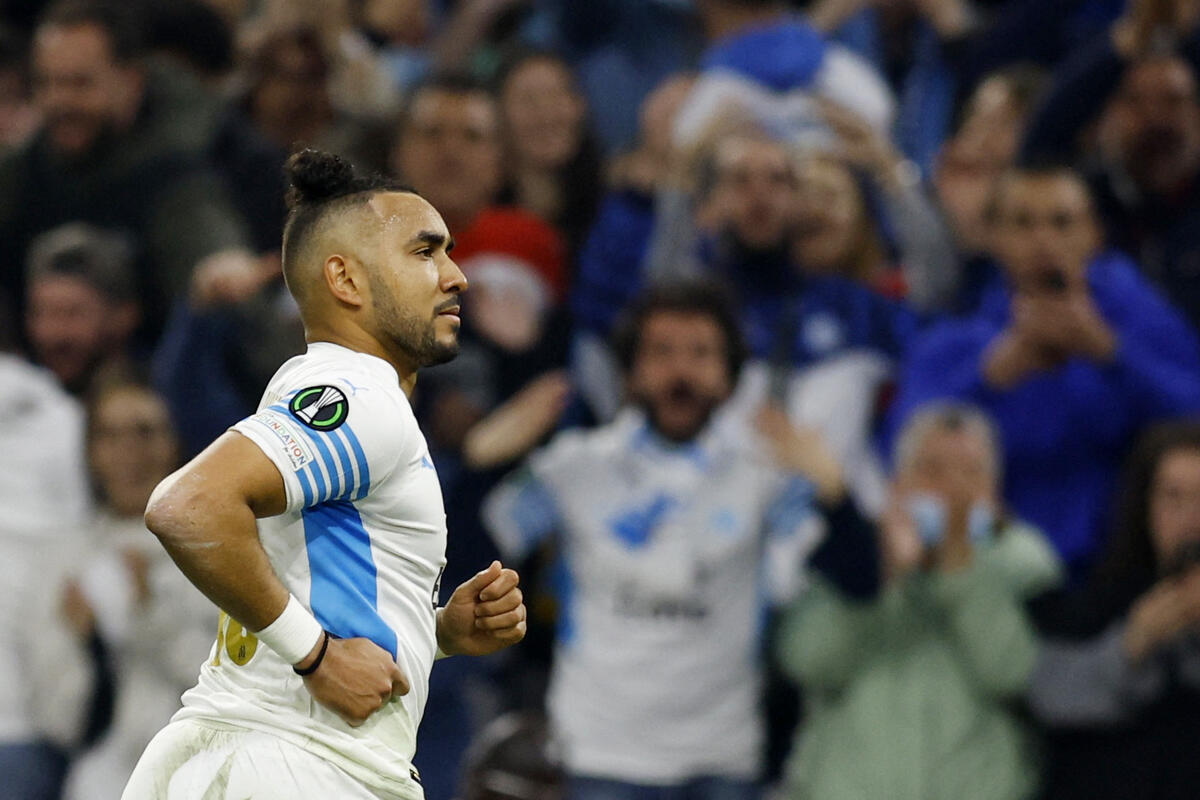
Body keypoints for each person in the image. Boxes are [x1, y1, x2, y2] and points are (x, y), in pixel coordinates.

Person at [122, 149, 527, 799]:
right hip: (292, 764)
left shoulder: (328, 390)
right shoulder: (358, 396)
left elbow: (300, 577)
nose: (456, 277)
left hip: (255, 756)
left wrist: (436, 633)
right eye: (425, 252)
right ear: (345, 279)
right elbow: (187, 506)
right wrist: (316, 655)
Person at [484, 281, 845, 798]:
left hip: (721, 761)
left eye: (700, 353)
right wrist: (480, 461)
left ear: (730, 375)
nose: (681, 372)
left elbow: (855, 582)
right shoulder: (575, 467)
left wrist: (837, 496)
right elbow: (468, 550)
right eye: (662, 352)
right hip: (597, 757)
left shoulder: (764, 478)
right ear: (631, 372)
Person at [889, 164, 1200, 576]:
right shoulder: (953, 344)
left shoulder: (1141, 324)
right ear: (994, 235)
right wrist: (990, 377)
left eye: (1062, 222)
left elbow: (1192, 415)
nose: (1043, 240)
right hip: (985, 571)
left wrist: (1110, 353)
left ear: (1094, 233)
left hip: (1119, 574)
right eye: (1023, 223)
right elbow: (899, 451)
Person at [776, 402, 1061, 800]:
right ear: (898, 484)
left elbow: (1016, 678)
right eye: (933, 470)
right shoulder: (853, 553)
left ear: (995, 490)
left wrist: (961, 571)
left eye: (970, 473)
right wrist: (880, 577)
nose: (952, 492)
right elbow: (809, 662)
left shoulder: (1023, 559)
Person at [1028, 421, 1200, 800]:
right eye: (1173, 497)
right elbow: (1047, 699)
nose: (1191, 519)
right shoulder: (1096, 602)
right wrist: (1131, 646)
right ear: (1145, 507)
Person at [61, 378, 214, 800]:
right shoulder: (67, 556)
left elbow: (218, 680)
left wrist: (150, 613)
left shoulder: (213, 550)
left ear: (175, 442)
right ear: (90, 452)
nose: (129, 451)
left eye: (145, 432)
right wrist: (89, 646)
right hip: (101, 770)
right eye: (110, 435)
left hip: (196, 765)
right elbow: (56, 716)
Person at [24, 222, 141, 396]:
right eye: (41, 313)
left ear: (124, 316)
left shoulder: (163, 398)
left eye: (73, 313)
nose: (54, 334)